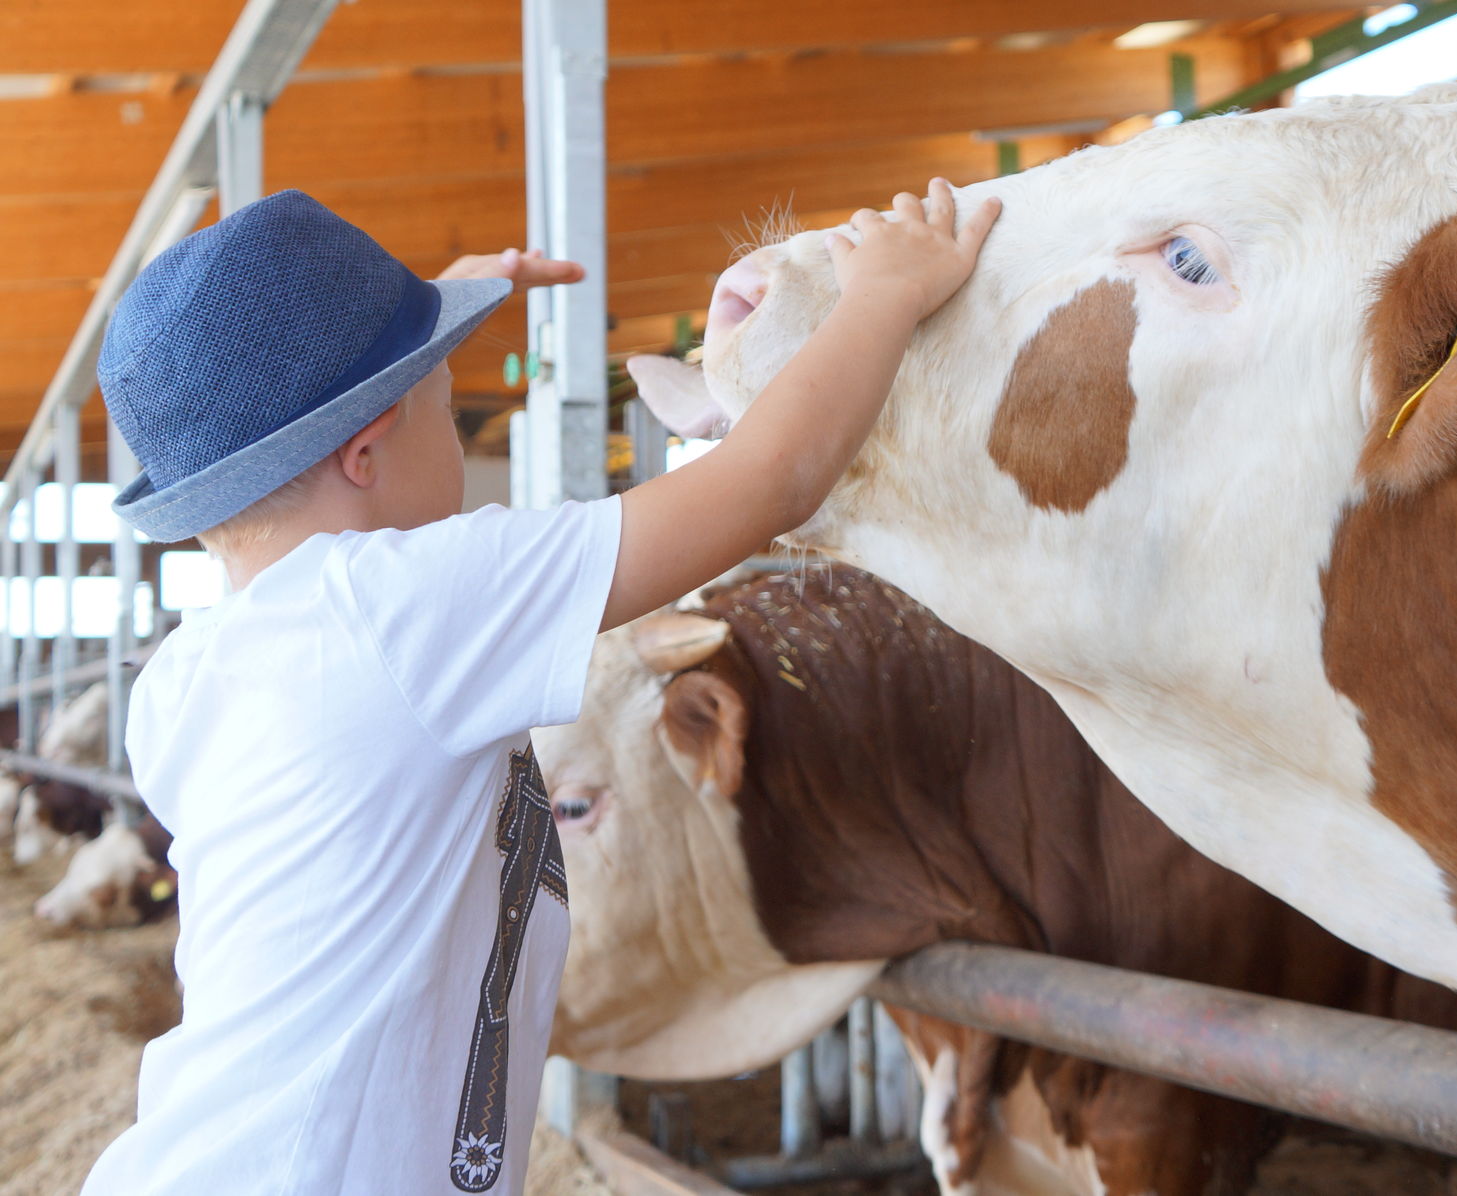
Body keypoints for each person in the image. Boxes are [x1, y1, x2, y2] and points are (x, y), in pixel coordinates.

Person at [81, 179, 1000, 1195]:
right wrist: (885, 294)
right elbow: (771, 479)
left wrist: (412, 333)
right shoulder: (403, 607)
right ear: (365, 450)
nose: (466, 437)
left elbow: (336, 470)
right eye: (452, 406)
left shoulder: (190, 676)